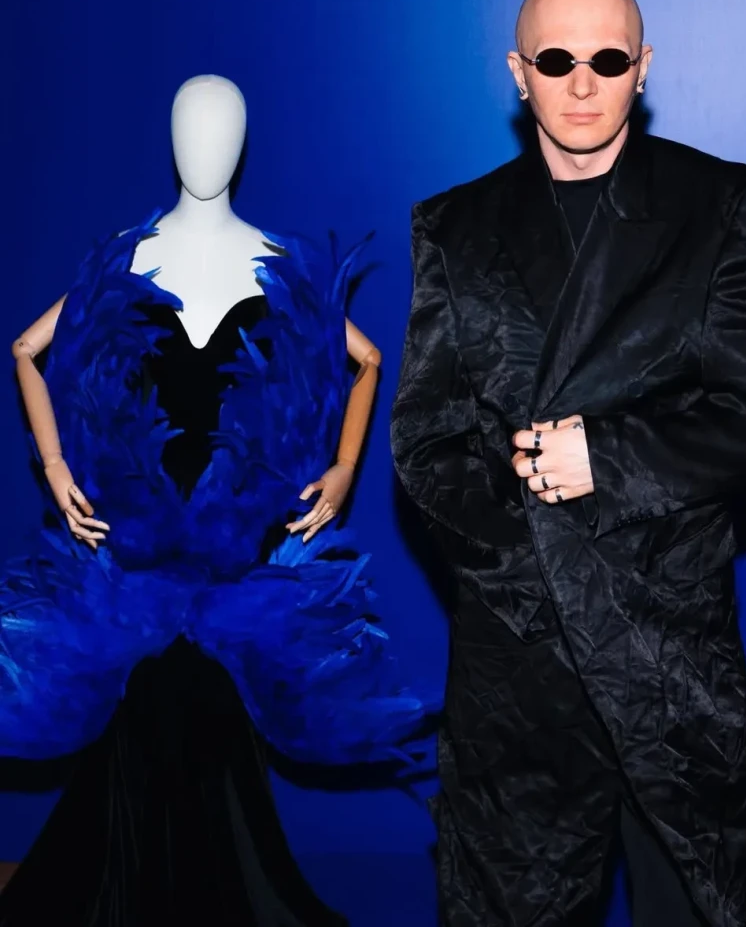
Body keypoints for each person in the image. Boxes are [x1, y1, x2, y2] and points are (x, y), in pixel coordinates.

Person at [391, 0, 746, 926]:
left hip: (672, 660)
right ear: (518, 73)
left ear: (643, 67)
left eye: (608, 59)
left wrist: (607, 458)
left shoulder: (726, 206)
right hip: (517, 668)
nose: (581, 83)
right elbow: (427, 440)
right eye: (555, 60)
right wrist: (531, 571)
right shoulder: (454, 226)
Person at [0, 75, 428, 926]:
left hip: (236, 555)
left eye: (221, 130)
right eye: (193, 130)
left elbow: (368, 359)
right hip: (138, 550)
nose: (207, 147)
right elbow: (25, 348)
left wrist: (345, 466)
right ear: (172, 140)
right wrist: (54, 462)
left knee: (210, 710)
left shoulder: (275, 259)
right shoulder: (128, 258)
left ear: (240, 144)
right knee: (145, 708)